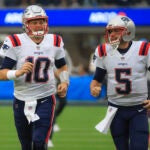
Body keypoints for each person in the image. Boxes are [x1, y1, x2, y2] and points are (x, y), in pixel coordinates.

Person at [0, 5, 69, 150]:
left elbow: (62, 66)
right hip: (21, 100)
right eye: (34, 22)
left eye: (41, 21)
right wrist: (16, 73)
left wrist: (64, 81)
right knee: (26, 145)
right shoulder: (15, 41)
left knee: (39, 143)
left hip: (46, 99)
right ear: (26, 24)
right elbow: (1, 73)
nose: (39, 25)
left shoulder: (55, 41)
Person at [90, 15, 150, 150]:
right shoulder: (103, 51)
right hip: (115, 110)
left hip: (138, 108)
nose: (112, 34)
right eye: (110, 31)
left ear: (128, 31)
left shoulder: (143, 49)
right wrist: (94, 87)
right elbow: (97, 79)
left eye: (116, 30)